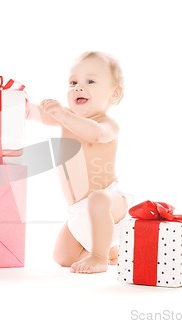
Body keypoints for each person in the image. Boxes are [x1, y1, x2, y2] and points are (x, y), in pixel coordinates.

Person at [27, 51, 130, 274]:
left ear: (114, 94)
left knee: (98, 199)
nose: (78, 87)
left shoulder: (107, 124)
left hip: (109, 205)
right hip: (79, 211)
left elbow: (95, 134)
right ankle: (109, 249)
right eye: (73, 82)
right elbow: (36, 113)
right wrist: (24, 106)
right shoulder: (66, 117)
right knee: (62, 258)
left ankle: (99, 257)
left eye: (90, 81)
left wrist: (64, 115)